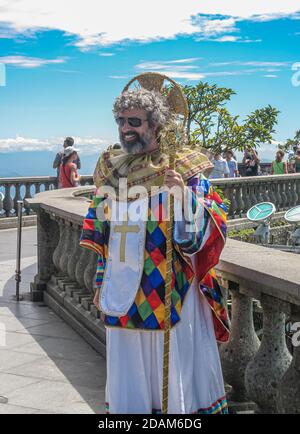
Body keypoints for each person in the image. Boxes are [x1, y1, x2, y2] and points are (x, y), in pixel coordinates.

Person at [80, 80, 229, 414]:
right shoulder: (112, 169)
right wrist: (101, 279)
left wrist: (184, 197)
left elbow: (214, 222)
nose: (125, 129)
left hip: (169, 285)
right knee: (129, 366)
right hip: (122, 288)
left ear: (155, 123)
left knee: (173, 367)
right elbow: (104, 233)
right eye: (121, 121)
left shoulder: (183, 168)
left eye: (134, 122)